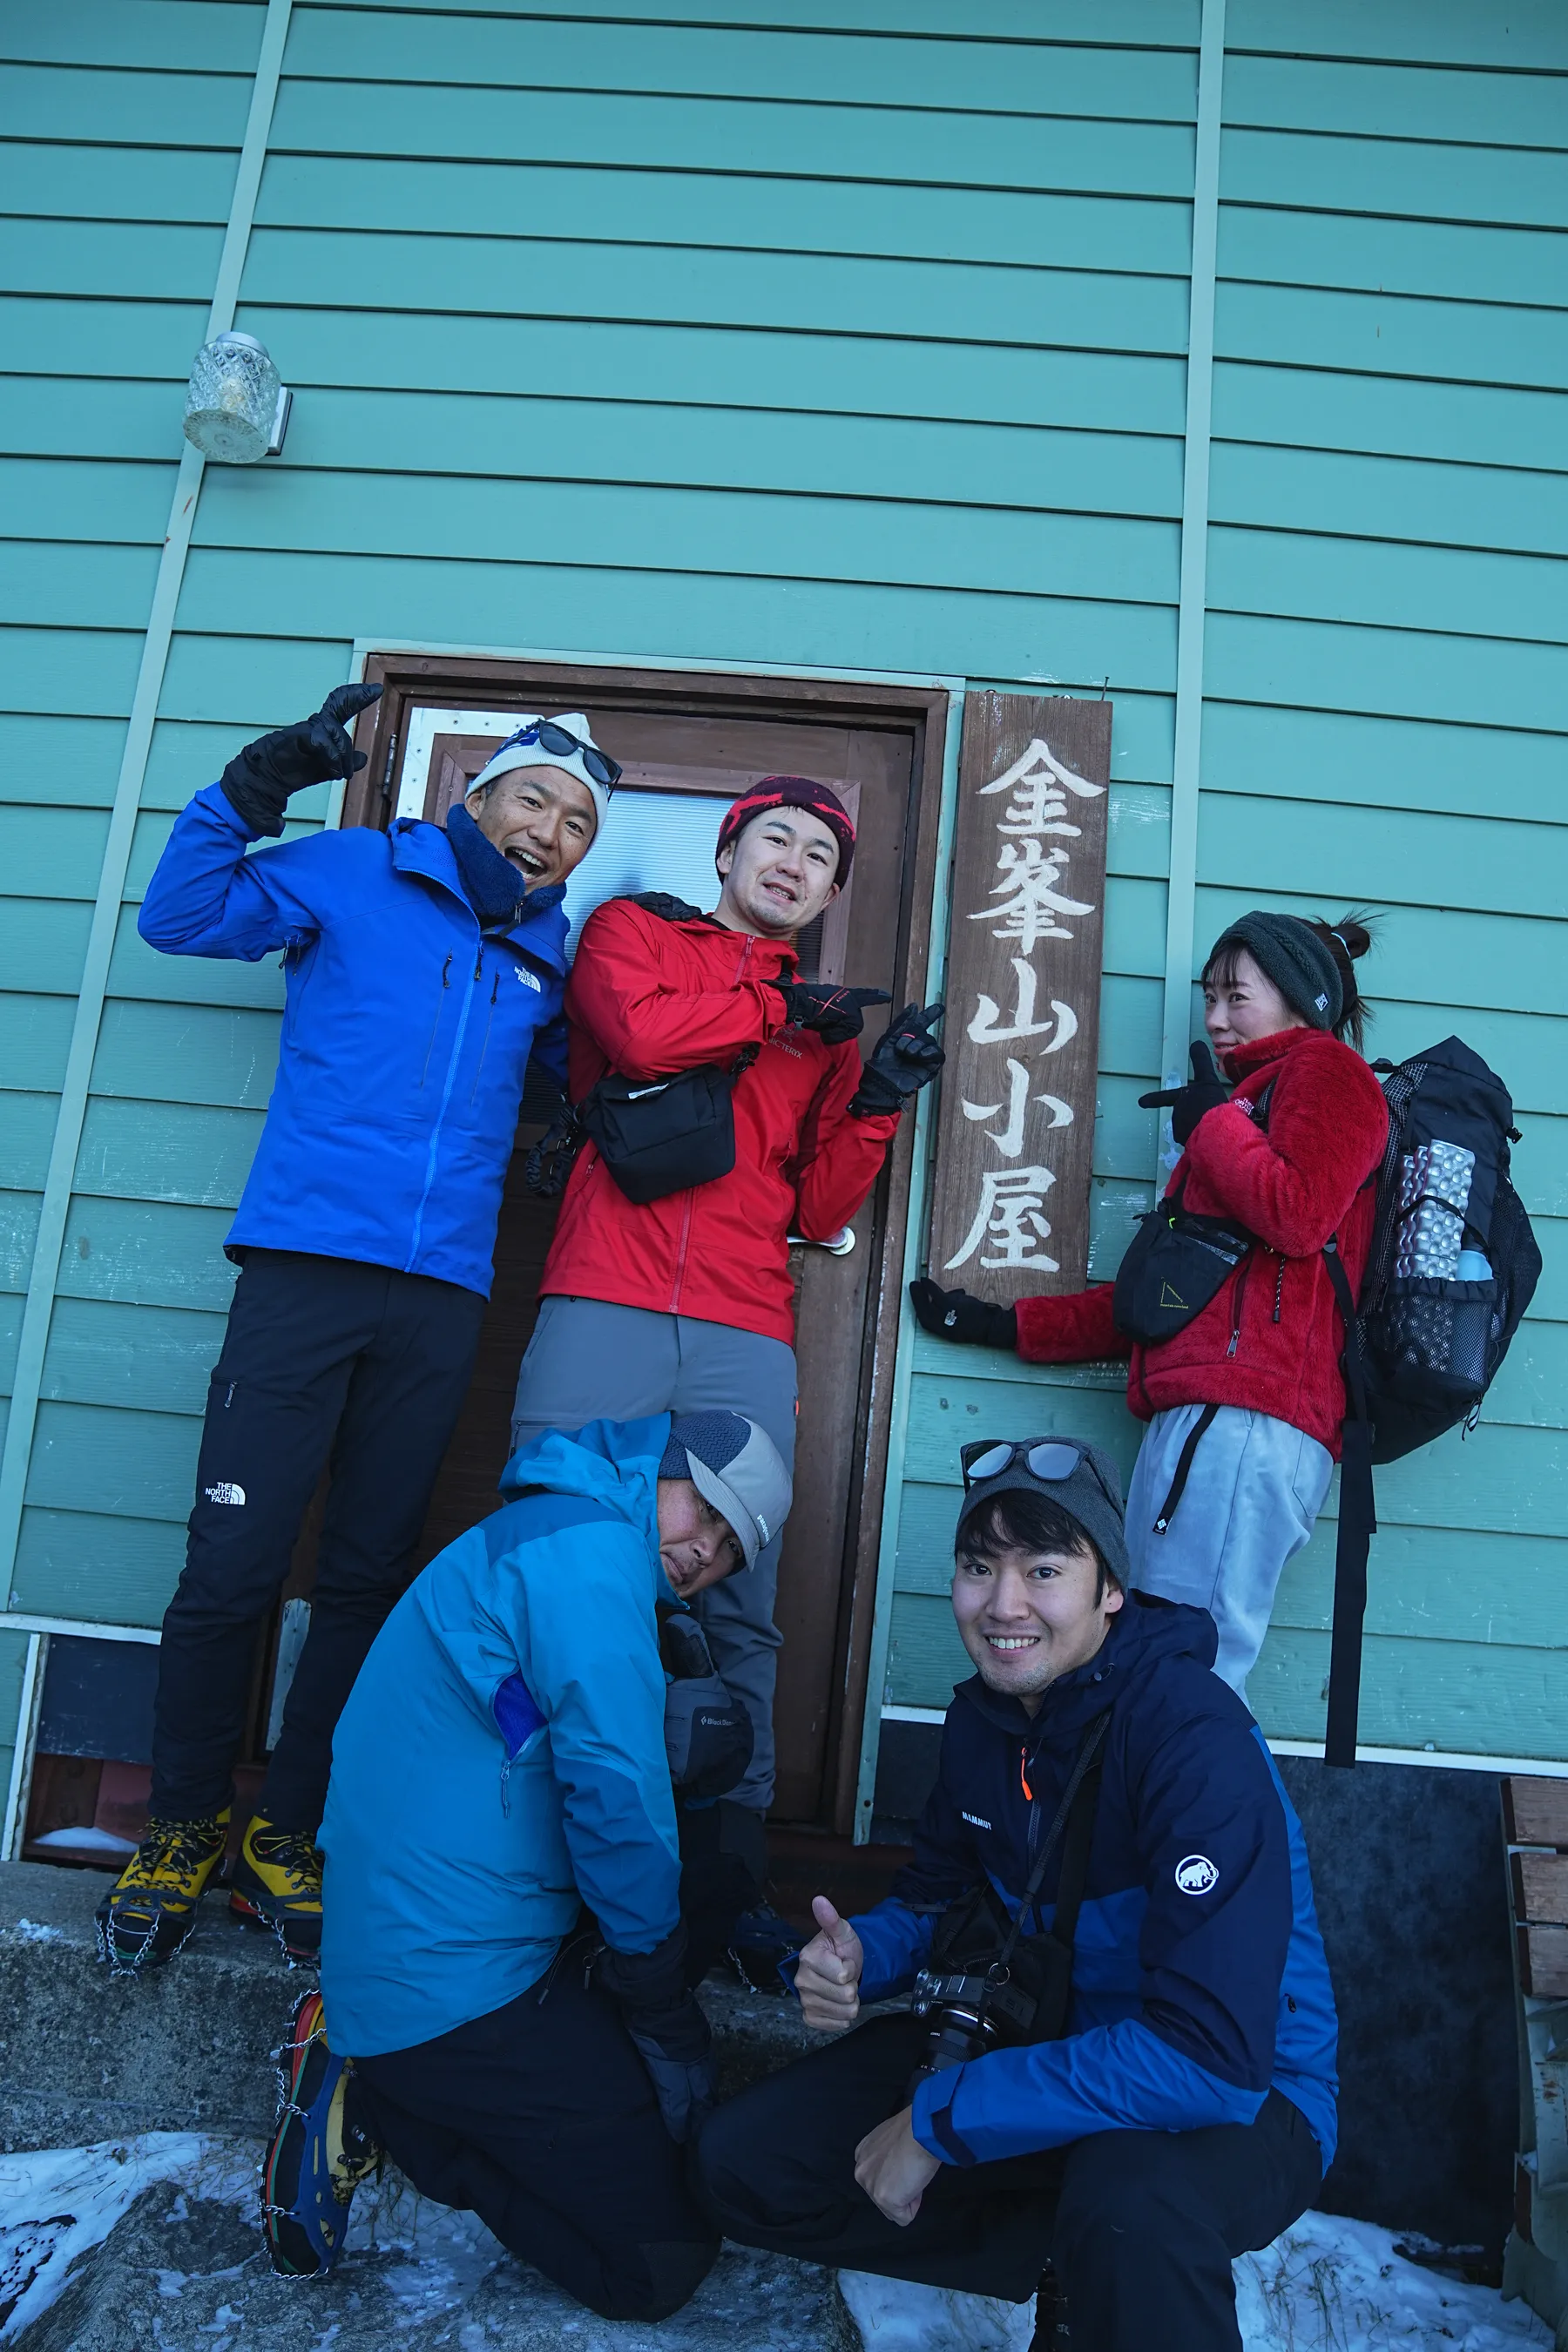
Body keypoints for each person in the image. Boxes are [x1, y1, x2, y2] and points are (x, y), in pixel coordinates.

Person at [98, 700, 615, 1970]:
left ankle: (288, 1830)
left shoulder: (549, 959)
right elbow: (182, 918)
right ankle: (178, 1827)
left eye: (580, 823)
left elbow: (578, 1084)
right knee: (233, 1565)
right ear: (480, 800)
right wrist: (255, 785)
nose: (551, 833)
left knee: (367, 1578)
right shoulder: (356, 870)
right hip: (304, 1269)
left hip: (438, 1294)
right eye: (536, 802)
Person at [696, 1436, 1336, 2352]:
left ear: (1110, 1589)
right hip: (1044, 2044)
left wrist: (944, 2118)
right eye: (977, 1568)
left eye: (1043, 1569)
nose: (1004, 1605)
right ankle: (1060, 2261)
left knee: (1132, 2208)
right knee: (743, 2165)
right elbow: (937, 1901)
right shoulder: (986, 1721)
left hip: (1246, 2098)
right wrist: (863, 1955)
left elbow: (1212, 2058)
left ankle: (1103, 2261)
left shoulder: (1193, 1739)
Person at [511, 775, 944, 1950]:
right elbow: (643, 1033)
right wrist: (773, 1008)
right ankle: (520, 1834)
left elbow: (819, 1202)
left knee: (740, 1603)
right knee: (553, 1562)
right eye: (778, 838)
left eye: (822, 854)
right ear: (731, 850)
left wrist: (879, 1096)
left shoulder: (814, 1030)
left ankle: (723, 1874)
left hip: (746, 1320)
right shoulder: (636, 934)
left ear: (827, 893)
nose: (797, 860)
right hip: (603, 1287)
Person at [260, 1408, 792, 2327]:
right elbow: (616, 1797)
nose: (705, 1550)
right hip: (450, 1988)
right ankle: (394, 2115)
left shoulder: (559, 1536)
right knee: (660, 2260)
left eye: (730, 1549)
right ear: (655, 1468)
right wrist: (657, 1998)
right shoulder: (586, 1559)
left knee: (725, 1852)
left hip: (463, 1930)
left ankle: (456, 2076)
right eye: (703, 1510)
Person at [912, 910, 1389, 1695]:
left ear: (1304, 1001)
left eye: (1237, 996)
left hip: (1243, 1421)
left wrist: (1211, 1127)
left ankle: (1207, 1822)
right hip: (1212, 1419)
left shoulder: (1328, 1074)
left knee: (1185, 1674)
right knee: (1158, 1665)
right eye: (1210, 996)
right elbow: (1159, 1303)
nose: (1214, 1017)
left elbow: (1298, 1213)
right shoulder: (1250, 1110)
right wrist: (1000, 1322)